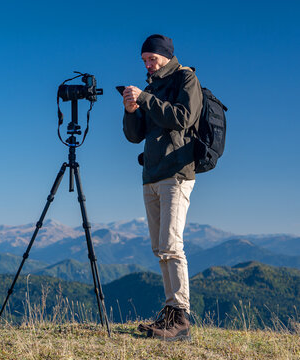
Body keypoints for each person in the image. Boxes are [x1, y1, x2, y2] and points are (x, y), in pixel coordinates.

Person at [121, 34, 202, 341]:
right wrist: (131, 111)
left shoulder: (186, 79)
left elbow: (183, 118)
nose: (148, 64)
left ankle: (181, 317)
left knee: (171, 245)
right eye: (144, 60)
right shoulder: (152, 86)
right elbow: (135, 135)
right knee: (160, 248)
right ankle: (170, 312)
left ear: (167, 56)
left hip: (176, 173)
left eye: (152, 59)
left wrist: (144, 98)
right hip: (151, 174)